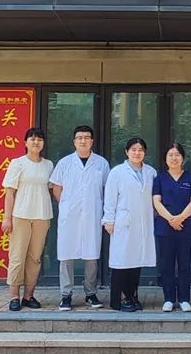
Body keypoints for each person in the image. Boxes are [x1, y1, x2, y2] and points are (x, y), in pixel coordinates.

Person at [49, 125, 110, 311]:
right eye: (79, 137)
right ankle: (66, 295)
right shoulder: (64, 163)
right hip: (70, 216)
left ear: (92, 141)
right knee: (66, 256)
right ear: (74, 141)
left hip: (92, 215)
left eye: (86, 137)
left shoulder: (101, 163)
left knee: (91, 256)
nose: (83, 140)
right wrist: (66, 205)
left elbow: (107, 189)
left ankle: (90, 293)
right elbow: (56, 187)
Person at [1, 127, 54, 311]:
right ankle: (14, 296)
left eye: (39, 139)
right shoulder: (18, 163)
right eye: (32, 139)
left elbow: (52, 188)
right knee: (17, 256)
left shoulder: (48, 165)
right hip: (21, 215)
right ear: (25, 142)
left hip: (42, 215)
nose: (36, 142)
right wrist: (7, 218)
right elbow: (9, 193)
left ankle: (28, 296)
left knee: (35, 257)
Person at [102, 137, 157, 313]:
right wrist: (108, 220)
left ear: (145, 153)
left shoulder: (150, 172)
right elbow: (110, 198)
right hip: (123, 222)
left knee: (136, 262)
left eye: (140, 150)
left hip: (142, 223)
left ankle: (132, 296)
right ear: (126, 152)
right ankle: (118, 300)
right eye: (133, 149)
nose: (137, 153)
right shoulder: (117, 172)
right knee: (121, 262)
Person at [153, 142, 191, 312]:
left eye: (177, 155)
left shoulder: (190, 178)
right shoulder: (159, 178)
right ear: (165, 158)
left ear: (183, 158)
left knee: (184, 264)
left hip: (185, 227)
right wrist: (171, 219)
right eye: (170, 155)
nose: (174, 158)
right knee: (167, 264)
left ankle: (184, 299)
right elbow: (156, 201)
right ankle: (169, 299)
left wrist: (180, 218)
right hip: (165, 227)